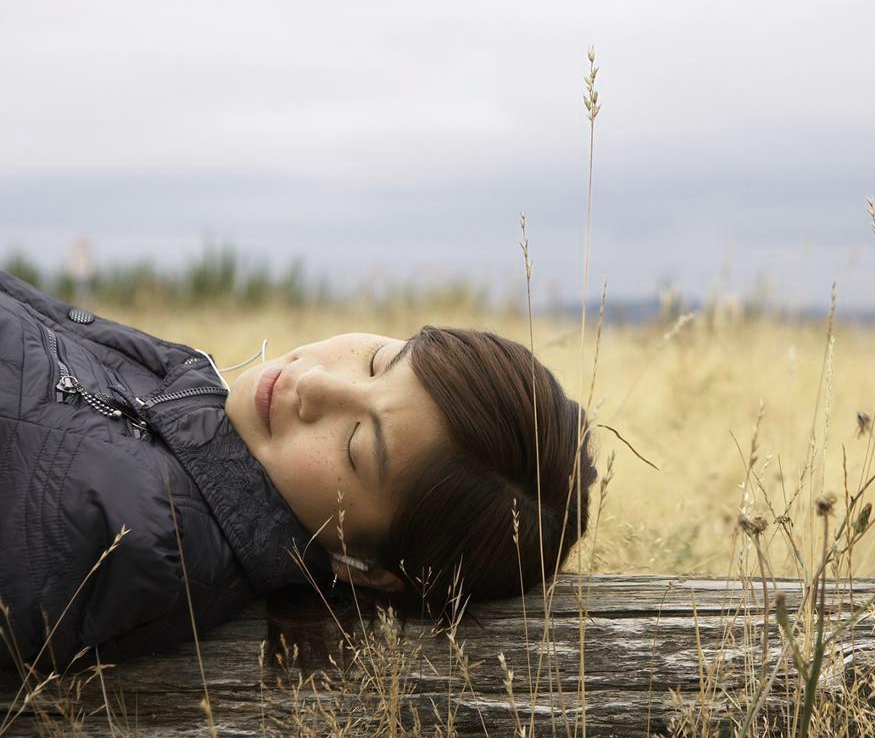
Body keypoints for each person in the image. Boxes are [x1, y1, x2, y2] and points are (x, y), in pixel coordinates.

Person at [0, 269, 596, 672]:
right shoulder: (187, 444)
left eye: (357, 446)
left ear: (363, 569)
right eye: (377, 360)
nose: (315, 384)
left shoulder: (115, 535)